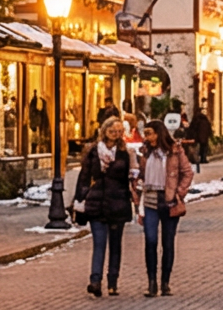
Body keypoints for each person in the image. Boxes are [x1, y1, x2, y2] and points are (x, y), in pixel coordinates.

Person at [74, 115, 135, 297]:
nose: (115, 135)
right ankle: (95, 281)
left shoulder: (125, 152)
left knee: (115, 244)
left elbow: (129, 178)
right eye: (111, 131)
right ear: (104, 131)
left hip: (118, 203)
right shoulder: (93, 152)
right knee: (99, 243)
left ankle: (113, 281)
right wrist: (80, 198)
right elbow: (84, 177)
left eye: (118, 132)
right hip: (97, 203)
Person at [140, 117, 195, 295]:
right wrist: (136, 185)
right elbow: (137, 174)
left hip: (169, 200)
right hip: (149, 200)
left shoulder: (175, 151)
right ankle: (151, 282)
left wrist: (179, 193)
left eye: (149, 133)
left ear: (159, 133)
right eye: (145, 134)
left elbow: (187, 173)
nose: (146, 137)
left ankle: (165, 283)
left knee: (168, 242)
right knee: (150, 240)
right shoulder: (145, 152)